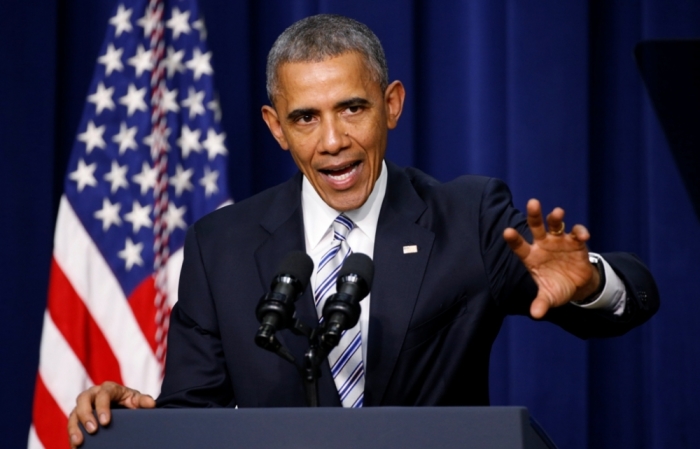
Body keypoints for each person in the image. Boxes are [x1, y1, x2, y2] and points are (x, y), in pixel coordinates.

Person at [67, 14, 658, 447]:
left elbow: (631, 294)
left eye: (353, 108)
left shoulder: (467, 216)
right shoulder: (219, 245)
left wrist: (589, 286)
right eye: (305, 118)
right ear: (277, 127)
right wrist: (141, 421)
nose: (332, 141)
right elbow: (196, 417)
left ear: (391, 104)